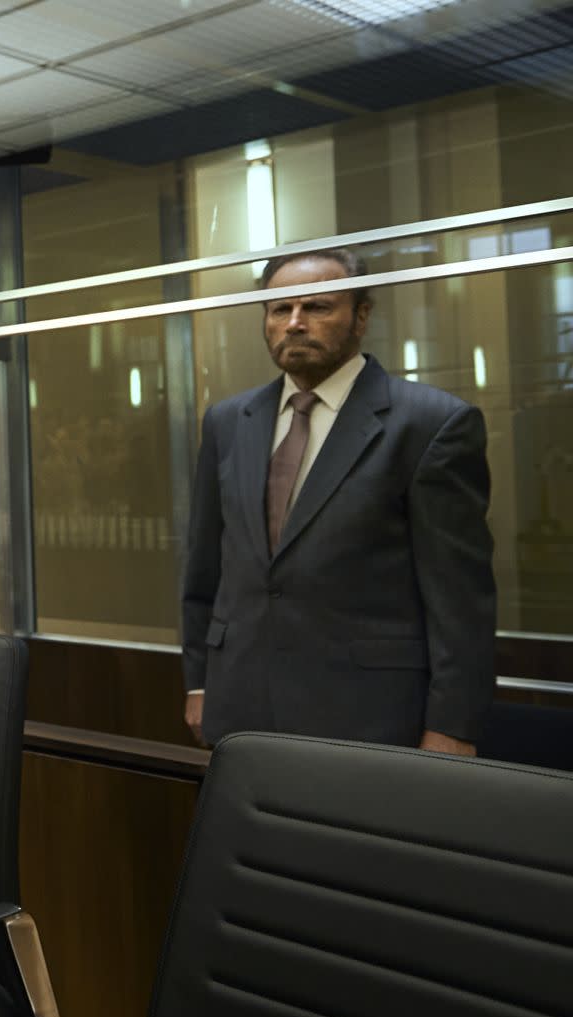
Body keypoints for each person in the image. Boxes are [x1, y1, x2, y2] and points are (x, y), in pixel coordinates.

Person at [182, 248, 496, 754]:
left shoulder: (430, 424)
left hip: (367, 717)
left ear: (361, 316)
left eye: (317, 307)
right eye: (280, 309)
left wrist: (453, 726)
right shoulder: (228, 421)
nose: (294, 323)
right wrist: (199, 682)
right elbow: (205, 570)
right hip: (240, 705)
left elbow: (461, 601)